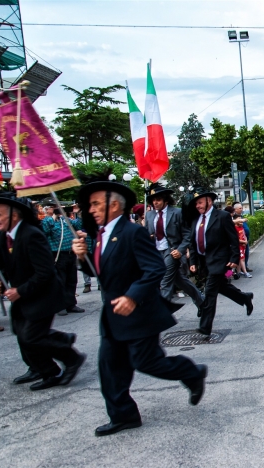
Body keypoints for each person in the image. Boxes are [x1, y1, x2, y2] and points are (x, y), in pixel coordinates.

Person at [72, 177, 207, 436]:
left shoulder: (132, 232)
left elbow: (154, 268)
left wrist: (132, 297)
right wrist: (82, 258)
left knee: (148, 363)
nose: (91, 209)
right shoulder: (100, 235)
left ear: (115, 205)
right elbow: (104, 274)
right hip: (112, 316)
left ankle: (192, 372)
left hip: (138, 313)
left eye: (96, 203)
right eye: (90, 204)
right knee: (110, 368)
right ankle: (124, 416)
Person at [0, 192, 84, 390]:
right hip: (22, 296)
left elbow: (45, 273)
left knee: (31, 336)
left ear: (14, 215)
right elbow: (1, 265)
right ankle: (37, 366)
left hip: (43, 294)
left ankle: (66, 362)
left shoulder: (31, 235)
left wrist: (20, 291)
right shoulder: (4, 236)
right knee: (20, 332)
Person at [187, 188, 254, 335]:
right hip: (204, 261)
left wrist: (234, 258)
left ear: (209, 201)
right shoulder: (195, 219)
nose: (197, 206)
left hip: (219, 260)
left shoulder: (222, 216)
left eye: (200, 202)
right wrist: (193, 261)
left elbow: (233, 239)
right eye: (196, 203)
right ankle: (245, 297)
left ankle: (205, 327)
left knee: (210, 291)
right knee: (221, 287)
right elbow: (192, 242)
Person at [144, 183, 204, 313]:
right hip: (156, 252)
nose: (155, 202)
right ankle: (202, 301)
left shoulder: (177, 212)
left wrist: (181, 250)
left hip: (172, 251)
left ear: (166, 200)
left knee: (165, 280)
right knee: (180, 280)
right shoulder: (149, 215)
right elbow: (146, 233)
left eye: (158, 199)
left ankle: (161, 314)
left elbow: (187, 234)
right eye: (153, 200)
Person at [41, 199, 85, 316]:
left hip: (70, 253)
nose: (56, 208)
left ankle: (71, 304)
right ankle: (59, 305)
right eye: (53, 207)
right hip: (57, 254)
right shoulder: (47, 221)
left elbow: (79, 225)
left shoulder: (66, 220)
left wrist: (78, 212)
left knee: (71, 280)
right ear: (47, 209)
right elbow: (44, 232)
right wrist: (51, 218)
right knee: (60, 280)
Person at [232, 203, 252, 272]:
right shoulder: (235, 219)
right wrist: (243, 241)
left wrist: (246, 240)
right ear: (235, 209)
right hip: (240, 242)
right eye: (240, 208)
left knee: (245, 255)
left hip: (245, 240)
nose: (241, 209)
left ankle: (243, 268)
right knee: (241, 257)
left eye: (241, 208)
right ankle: (236, 272)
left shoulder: (242, 217)